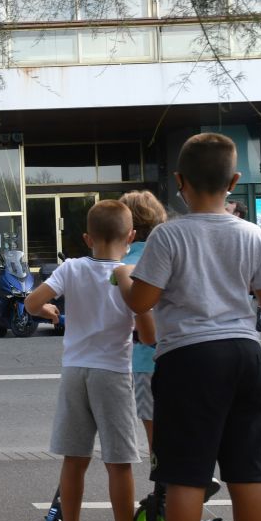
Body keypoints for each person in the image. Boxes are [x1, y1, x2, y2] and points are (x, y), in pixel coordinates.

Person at [118, 133, 261, 521]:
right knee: (248, 471)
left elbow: (142, 303)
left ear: (180, 183)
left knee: (186, 473)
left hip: (188, 359)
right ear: (234, 181)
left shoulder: (170, 236)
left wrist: (128, 280)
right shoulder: (252, 234)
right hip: (245, 356)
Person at [25, 201, 150, 521]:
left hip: (75, 371)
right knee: (119, 462)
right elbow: (146, 331)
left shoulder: (72, 267)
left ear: (86, 237)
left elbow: (33, 303)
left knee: (74, 459)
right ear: (131, 237)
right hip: (113, 373)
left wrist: (50, 310)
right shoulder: (131, 273)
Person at [120, 191, 168, 449]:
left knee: (154, 429)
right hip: (184, 352)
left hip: (144, 358)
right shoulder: (174, 255)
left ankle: (162, 483)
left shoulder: (122, 266)